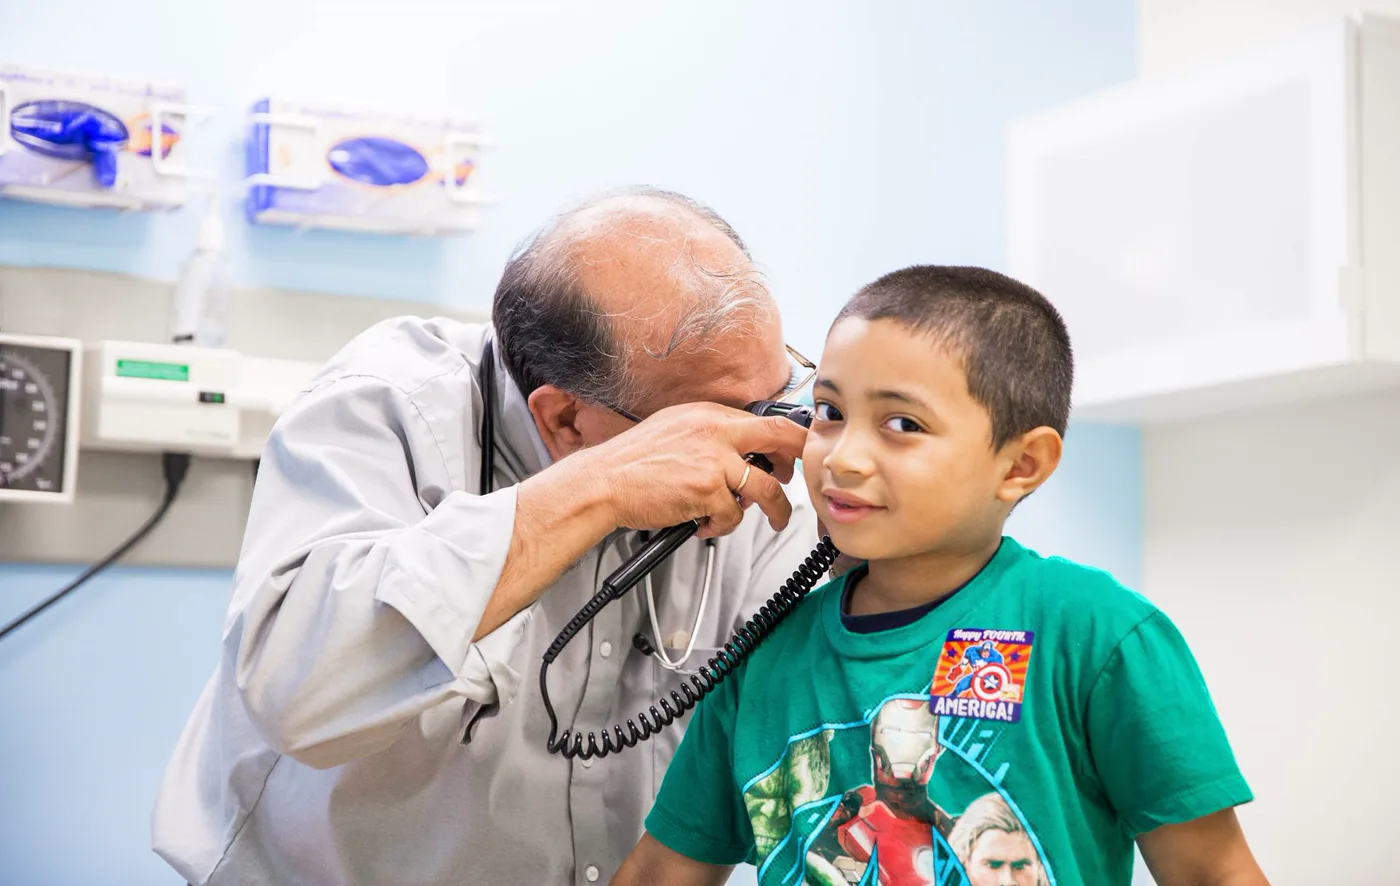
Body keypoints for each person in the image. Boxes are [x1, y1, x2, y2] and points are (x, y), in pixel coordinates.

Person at [151, 187, 825, 886]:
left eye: (783, 395)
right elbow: (298, 691)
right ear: (565, 420)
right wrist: (598, 489)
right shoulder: (391, 405)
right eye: (717, 421)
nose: (774, 446)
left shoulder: (768, 485)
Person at [613, 265, 1270, 886]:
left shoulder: (1097, 635)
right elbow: (659, 874)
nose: (843, 457)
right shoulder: (763, 661)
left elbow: (1213, 872)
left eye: (902, 424)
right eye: (829, 413)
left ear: (1021, 465)